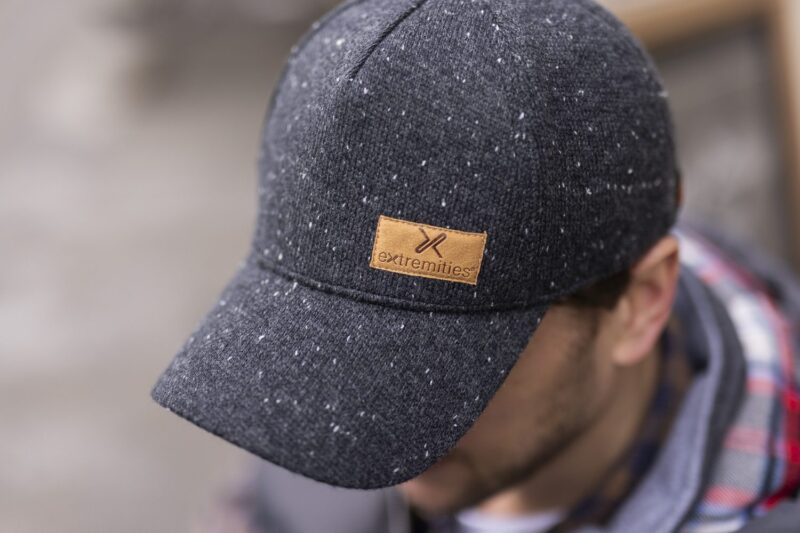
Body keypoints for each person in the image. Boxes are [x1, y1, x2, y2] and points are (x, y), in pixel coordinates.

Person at [150, 0, 800, 531]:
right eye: (325, 347)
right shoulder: (316, 468)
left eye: (438, 365)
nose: (353, 423)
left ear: (641, 302)